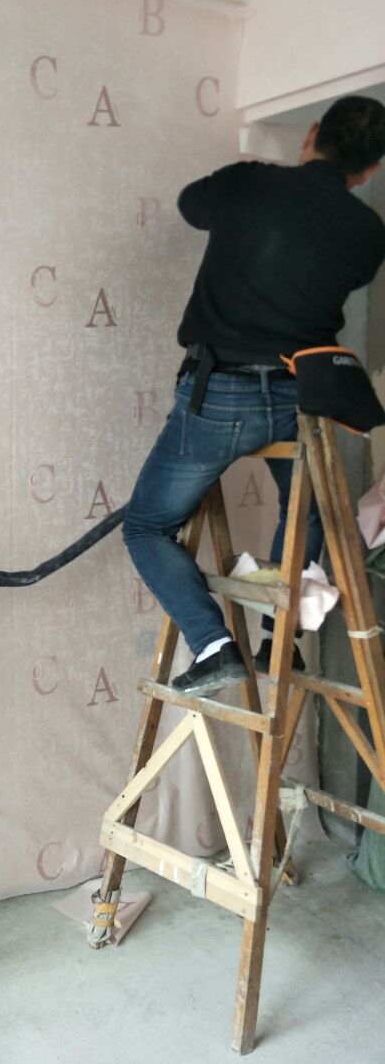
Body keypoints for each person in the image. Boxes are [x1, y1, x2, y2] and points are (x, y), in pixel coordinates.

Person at [123, 95, 385, 693]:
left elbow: (191, 204)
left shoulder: (250, 184)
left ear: (311, 133)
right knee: (305, 511)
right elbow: (343, 269)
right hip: (301, 398)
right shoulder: (369, 232)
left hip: (220, 395)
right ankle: (278, 643)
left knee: (146, 527)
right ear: (370, 170)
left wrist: (261, 196)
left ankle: (215, 646)